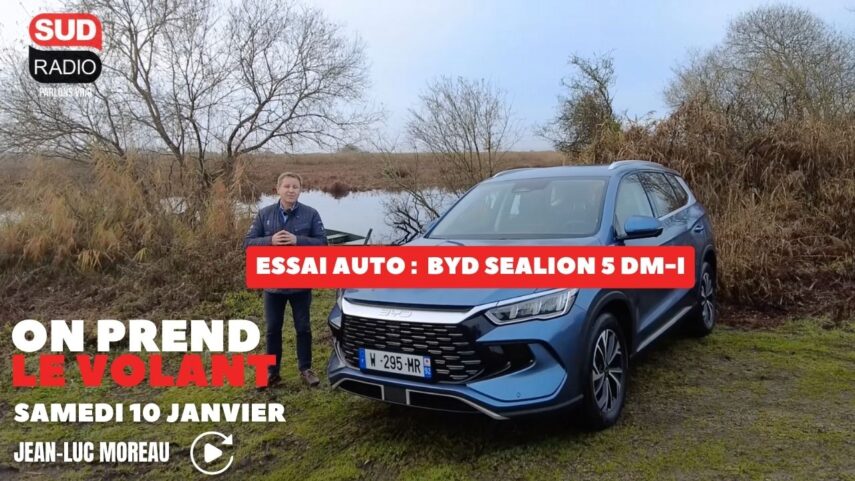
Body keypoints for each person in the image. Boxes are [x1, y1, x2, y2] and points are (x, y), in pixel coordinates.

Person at [244, 172, 327, 387]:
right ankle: (272, 372)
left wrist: (297, 240)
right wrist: (269, 241)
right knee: (273, 329)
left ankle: (306, 369)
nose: (291, 190)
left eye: (295, 187)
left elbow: (322, 244)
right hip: (273, 285)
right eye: (287, 186)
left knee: (303, 328)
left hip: (301, 283)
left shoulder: (311, 214)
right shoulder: (264, 214)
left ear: (300, 190)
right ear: (278, 189)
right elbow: (248, 243)